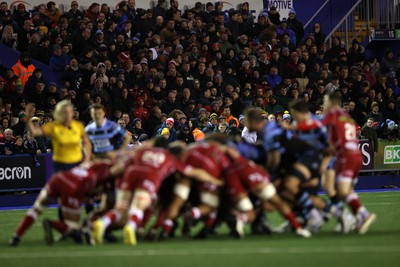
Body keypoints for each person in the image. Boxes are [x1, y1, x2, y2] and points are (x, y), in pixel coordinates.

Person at [92, 137, 222, 245]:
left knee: (121, 208)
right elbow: (194, 172)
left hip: (131, 173)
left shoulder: (142, 151)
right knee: (140, 206)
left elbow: (117, 169)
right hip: (150, 176)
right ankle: (131, 227)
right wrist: (215, 181)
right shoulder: (169, 157)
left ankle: (102, 223)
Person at [9, 160, 115, 246]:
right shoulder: (99, 176)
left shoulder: (89, 165)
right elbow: (89, 195)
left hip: (59, 177)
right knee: (72, 225)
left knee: (37, 208)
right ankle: (54, 225)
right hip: (73, 186)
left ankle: (16, 236)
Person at [322, 94, 376, 234]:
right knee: (346, 190)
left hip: (345, 157)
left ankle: (363, 215)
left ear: (330, 103)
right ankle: (358, 218)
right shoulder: (346, 116)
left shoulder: (330, 117)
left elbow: (326, 141)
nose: (323, 105)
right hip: (356, 155)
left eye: (324, 102)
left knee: (342, 190)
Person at [25, 100, 91, 172]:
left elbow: (87, 143)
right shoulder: (53, 126)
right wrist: (28, 117)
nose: (67, 114)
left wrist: (86, 160)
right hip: (60, 164)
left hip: (76, 162)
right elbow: (34, 132)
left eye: (69, 112)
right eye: (64, 112)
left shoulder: (78, 126)